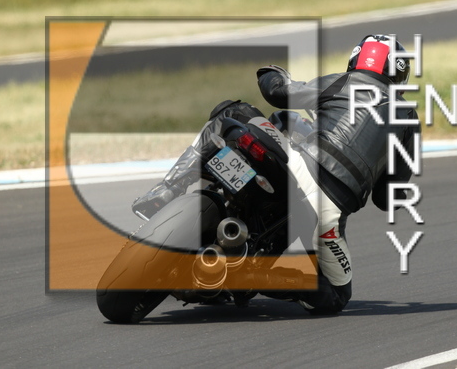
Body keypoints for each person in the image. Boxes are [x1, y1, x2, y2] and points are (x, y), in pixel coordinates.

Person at [132, 34, 420, 314]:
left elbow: (279, 93)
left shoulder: (342, 81)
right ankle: (254, 276)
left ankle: (168, 189)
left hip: (300, 168)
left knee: (230, 111)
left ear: (355, 60)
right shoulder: (407, 117)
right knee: (336, 296)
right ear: (400, 75)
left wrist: (271, 73)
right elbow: (386, 198)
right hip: (328, 214)